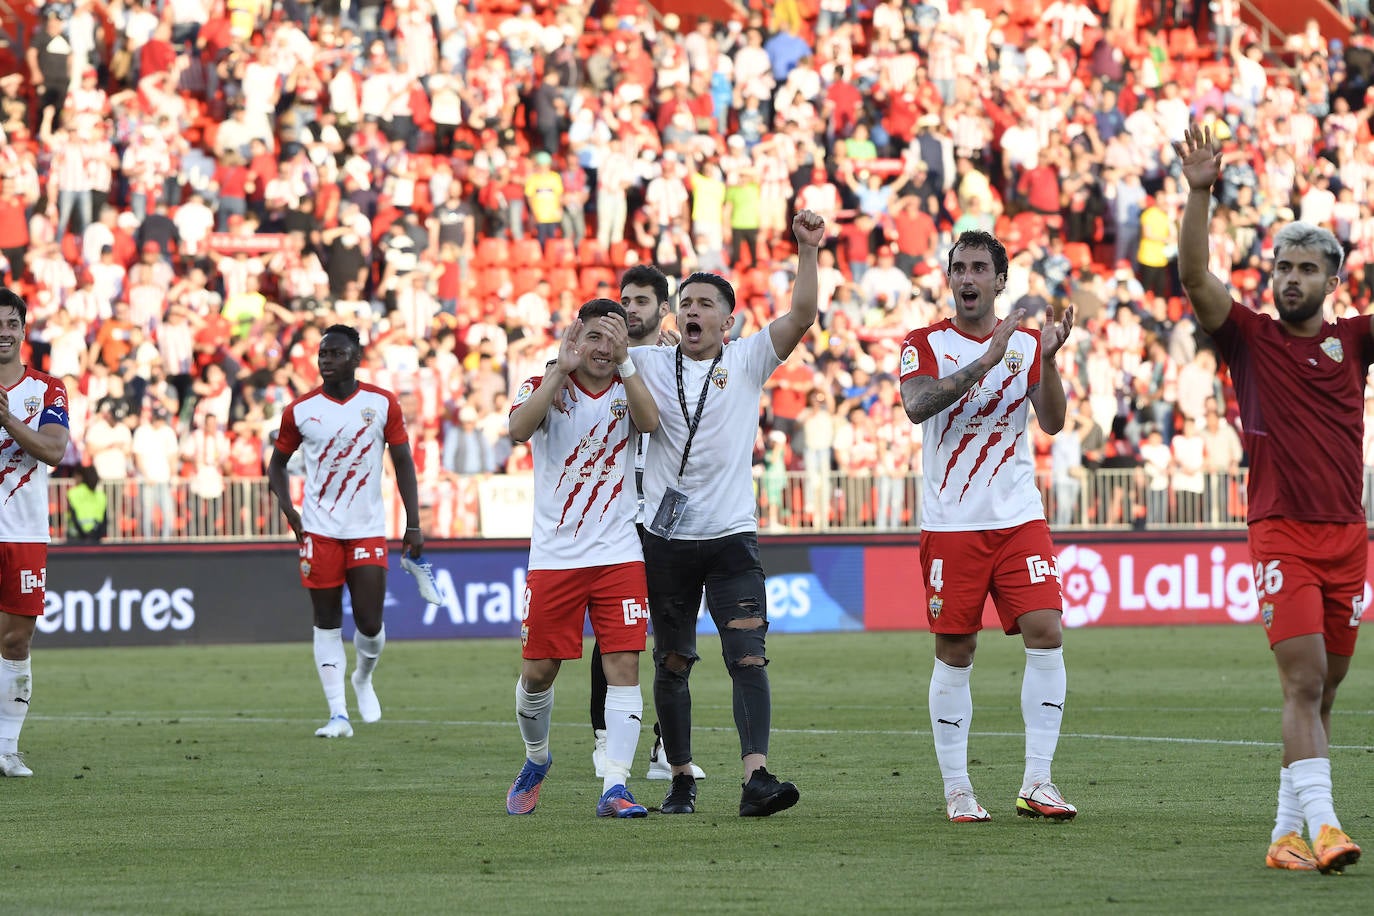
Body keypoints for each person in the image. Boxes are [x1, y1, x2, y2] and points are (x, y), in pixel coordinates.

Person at [1175, 125, 1364, 875]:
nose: (1289, 278)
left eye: (1305, 269)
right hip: (1281, 532)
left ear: (1331, 281)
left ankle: (1285, 837)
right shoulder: (1249, 338)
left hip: (1350, 537)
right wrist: (1198, 192)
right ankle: (1324, 828)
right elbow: (1194, 278)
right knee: (1305, 681)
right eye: (1282, 266)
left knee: (1326, 695)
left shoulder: (1354, 341)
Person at [631, 209, 826, 818]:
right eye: (684, 303)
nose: (691, 311)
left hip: (731, 539)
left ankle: (757, 779)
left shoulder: (746, 360)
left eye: (704, 304)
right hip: (665, 539)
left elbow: (801, 316)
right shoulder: (651, 364)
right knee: (672, 660)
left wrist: (807, 248)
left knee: (748, 655)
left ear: (728, 319)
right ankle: (681, 776)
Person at [898, 230, 1077, 824]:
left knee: (1047, 630)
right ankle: (957, 789)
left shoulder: (1028, 346)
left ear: (1001, 280)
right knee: (957, 646)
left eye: (979, 268)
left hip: (1019, 517)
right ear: (948, 278)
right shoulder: (924, 342)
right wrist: (987, 360)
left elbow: (1051, 421)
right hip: (952, 522)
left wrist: (1047, 361)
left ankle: (1038, 782)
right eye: (959, 268)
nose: (967, 278)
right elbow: (918, 405)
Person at [503, 298, 660, 818]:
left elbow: (651, 422)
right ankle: (537, 757)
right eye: (594, 336)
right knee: (538, 674)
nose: (603, 347)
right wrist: (558, 372)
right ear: (575, 340)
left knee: (623, 664)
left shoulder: (629, 386)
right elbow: (518, 430)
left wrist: (629, 361)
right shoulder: (545, 385)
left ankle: (615, 786)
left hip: (619, 555)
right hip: (555, 558)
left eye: (613, 337)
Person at [267, 324, 424, 739]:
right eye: (323, 355)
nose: (326, 361)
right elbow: (276, 464)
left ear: (355, 358)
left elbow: (404, 461)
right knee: (327, 620)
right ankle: (338, 714)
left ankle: (363, 677)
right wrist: (288, 507)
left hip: (368, 528)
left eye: (336, 354)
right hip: (319, 531)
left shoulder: (380, 403)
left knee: (370, 623)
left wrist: (414, 522)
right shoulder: (299, 410)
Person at [587, 263, 707, 784]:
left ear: (664, 309)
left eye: (640, 301)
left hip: (667, 515)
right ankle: (603, 738)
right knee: (616, 632)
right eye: (624, 300)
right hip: (616, 519)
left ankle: (663, 746)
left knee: (671, 631)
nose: (629, 309)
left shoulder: (680, 361)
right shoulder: (597, 360)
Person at [0, 288, 71, 777]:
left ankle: (7, 748)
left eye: (10, 323)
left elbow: (53, 450)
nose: (2, 333)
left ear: (23, 330)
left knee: (16, 641)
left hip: (24, 532)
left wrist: (5, 419)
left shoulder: (48, 388)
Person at [66, 464, 108, 543]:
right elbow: (104, 520)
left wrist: (84, 535)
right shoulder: (101, 495)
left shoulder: (73, 493)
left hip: (76, 537)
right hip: (95, 537)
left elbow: (73, 515)